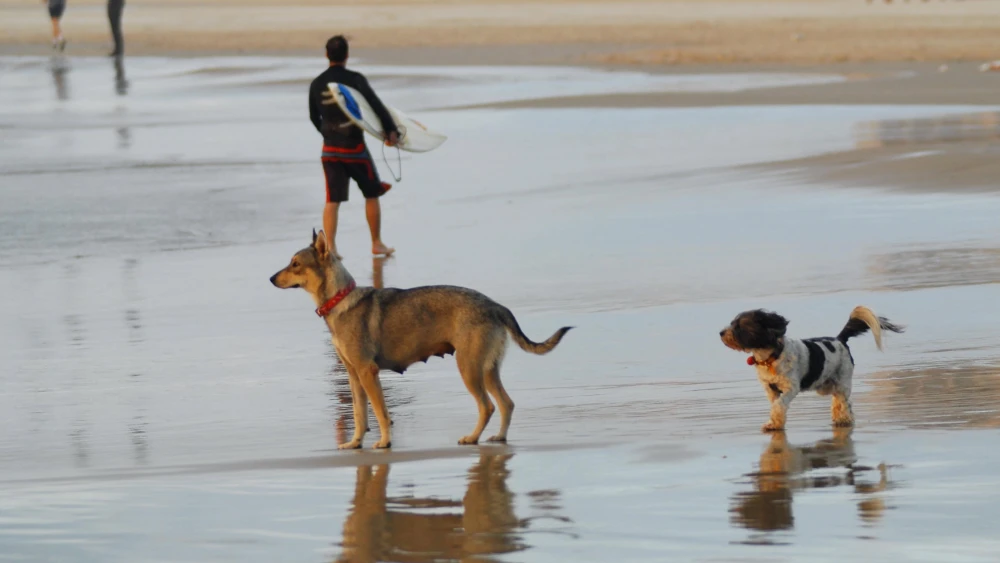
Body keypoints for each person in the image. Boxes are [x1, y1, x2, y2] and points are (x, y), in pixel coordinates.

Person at [308, 35, 399, 258]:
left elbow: (313, 116)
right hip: (354, 149)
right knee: (372, 192)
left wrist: (327, 133)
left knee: (332, 199)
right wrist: (390, 130)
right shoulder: (355, 79)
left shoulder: (317, 83)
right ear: (347, 55)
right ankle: (376, 243)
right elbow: (374, 105)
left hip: (329, 150)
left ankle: (331, 248)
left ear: (326, 55)